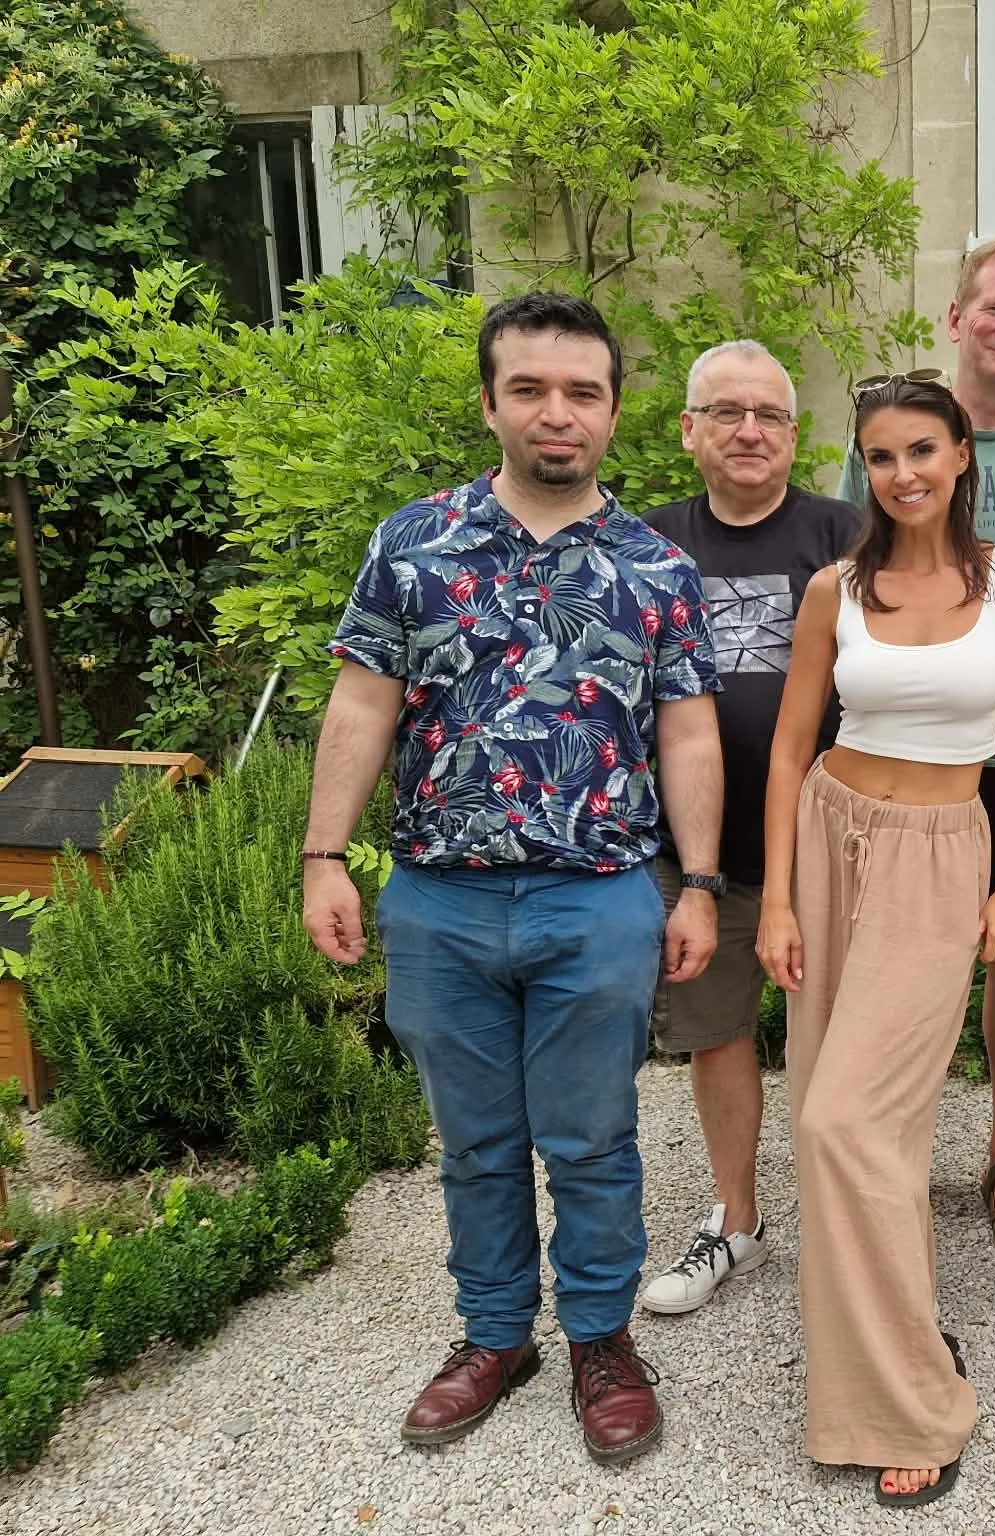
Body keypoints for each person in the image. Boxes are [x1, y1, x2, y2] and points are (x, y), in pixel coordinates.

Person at [301, 292, 724, 1465]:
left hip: (598, 899)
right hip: (441, 899)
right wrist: (322, 856)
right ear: (489, 400)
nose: (557, 413)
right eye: (530, 388)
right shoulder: (412, 544)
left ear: (613, 412)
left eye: (582, 392)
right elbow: (362, 702)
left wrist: (697, 885)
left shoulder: (654, 568)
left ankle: (598, 1336)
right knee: (476, 1139)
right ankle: (495, 1335)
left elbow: (687, 734)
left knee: (590, 1137)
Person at [759, 373, 995, 1506]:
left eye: (923, 449)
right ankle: (895, 1340)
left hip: (940, 849)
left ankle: (912, 1398)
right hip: (832, 834)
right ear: (863, 468)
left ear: (962, 453)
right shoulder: (834, 587)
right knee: (829, 1119)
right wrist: (777, 897)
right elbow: (790, 746)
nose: (904, 474)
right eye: (881, 457)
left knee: (850, 1119)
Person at [837, 235, 995, 1252]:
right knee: (893, 970)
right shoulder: (892, 439)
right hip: (907, 765)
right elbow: (854, 586)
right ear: (954, 316)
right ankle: (882, 1152)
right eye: (994, 309)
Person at [636, 341, 861, 1318]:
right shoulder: (646, 544)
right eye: (726, 412)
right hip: (699, 862)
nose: (748, 431)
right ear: (689, 432)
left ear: (794, 433)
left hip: (828, 852)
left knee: (842, 1045)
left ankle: (847, 1228)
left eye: (768, 414)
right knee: (717, 1035)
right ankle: (734, 1217)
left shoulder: (844, 533)